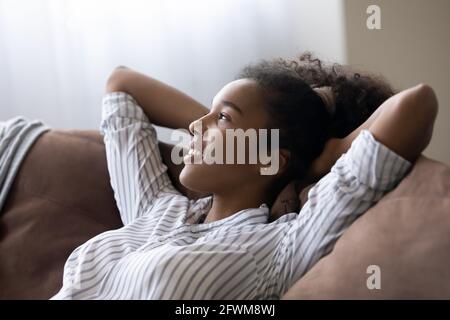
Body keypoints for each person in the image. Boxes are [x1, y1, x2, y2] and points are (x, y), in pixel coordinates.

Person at [51, 53, 438, 299]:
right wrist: (226, 133)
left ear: (272, 159)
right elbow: (121, 84)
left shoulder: (280, 247)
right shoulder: (156, 209)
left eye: (223, 117)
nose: (195, 127)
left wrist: (322, 160)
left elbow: (415, 105)